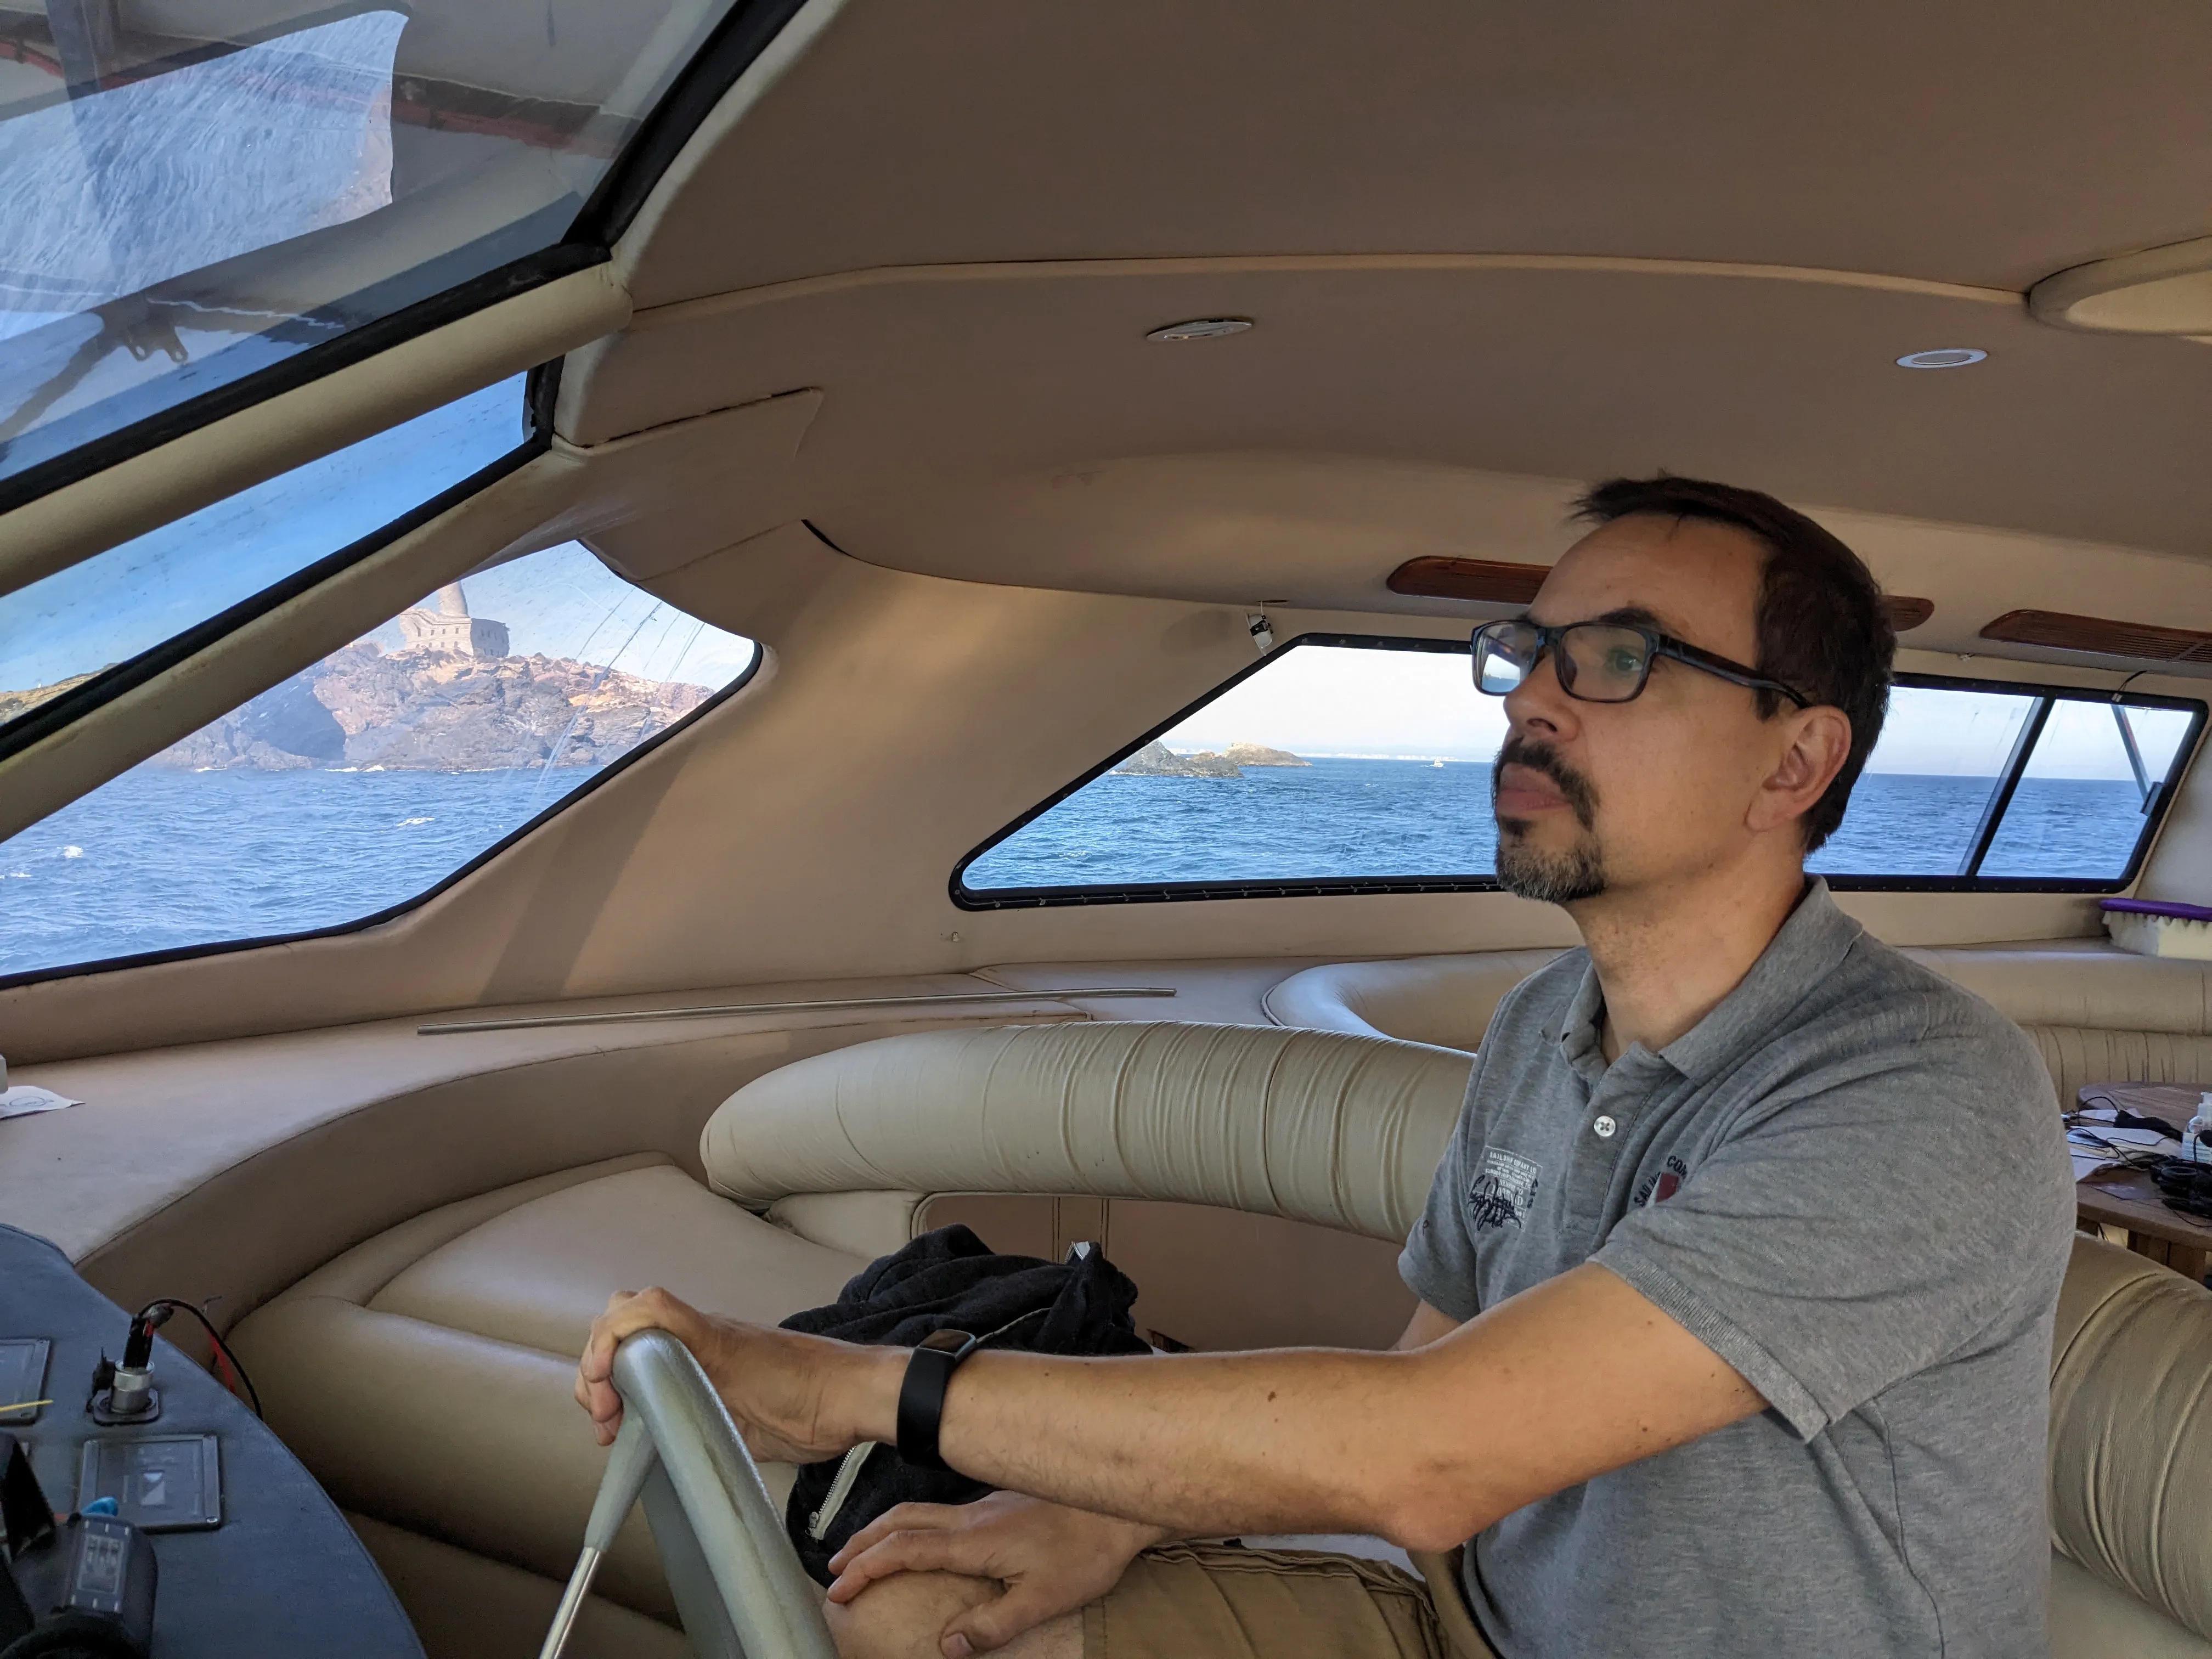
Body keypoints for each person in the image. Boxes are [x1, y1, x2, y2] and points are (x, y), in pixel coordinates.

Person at [574, 475, 2074, 1659]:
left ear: (1795, 764)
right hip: (1470, 1621)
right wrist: (1113, 1523)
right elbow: (1432, 1356)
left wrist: (855, 1388)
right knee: (911, 1617)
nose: (1533, 701)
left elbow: (1433, 1456)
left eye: (1618, 658)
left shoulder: (1920, 1095)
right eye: (1528, 654)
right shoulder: (1545, 1022)